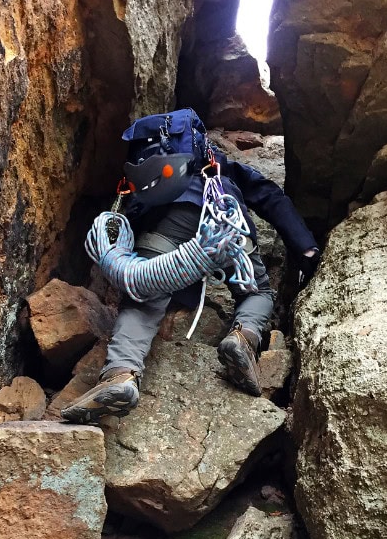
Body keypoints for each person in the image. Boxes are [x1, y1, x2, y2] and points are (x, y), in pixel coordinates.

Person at [60, 109, 321, 423]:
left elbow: (131, 217)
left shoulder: (148, 173)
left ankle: (120, 376)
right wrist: (305, 248)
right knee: (257, 292)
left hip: (165, 224)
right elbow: (269, 196)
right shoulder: (220, 164)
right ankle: (243, 337)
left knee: (142, 302)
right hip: (224, 221)